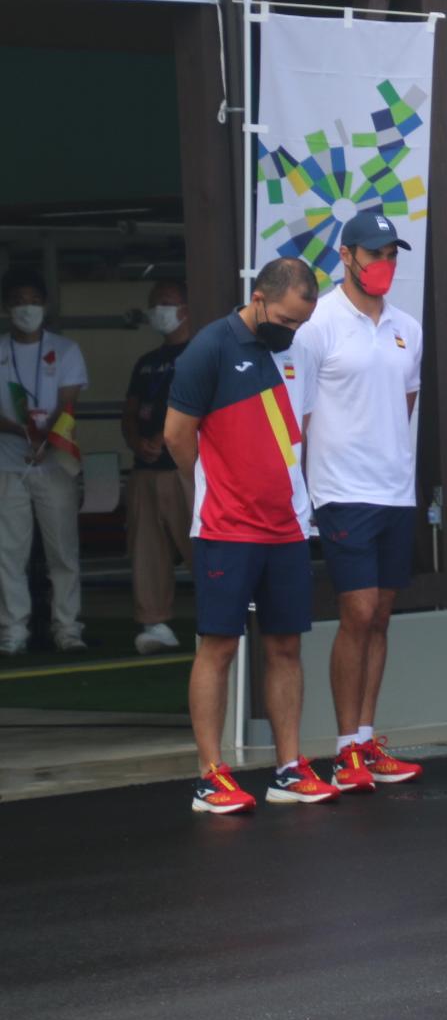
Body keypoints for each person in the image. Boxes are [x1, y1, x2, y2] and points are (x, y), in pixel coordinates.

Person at [165, 258, 336, 813]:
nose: (291, 332)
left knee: (286, 645)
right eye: (285, 319)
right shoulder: (209, 347)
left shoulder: (300, 349)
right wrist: (212, 489)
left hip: (287, 525)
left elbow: (299, 429)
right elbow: (175, 435)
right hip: (226, 527)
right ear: (258, 297)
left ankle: (288, 767)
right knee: (218, 645)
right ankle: (210, 774)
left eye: (300, 324)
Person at [291, 213, 428, 793]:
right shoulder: (317, 322)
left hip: (395, 490)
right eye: (373, 254)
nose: (384, 264)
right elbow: (297, 416)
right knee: (359, 612)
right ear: (345, 257)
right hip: (340, 491)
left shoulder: (407, 327)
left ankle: (367, 738)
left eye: (391, 253)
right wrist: (303, 495)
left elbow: (407, 400)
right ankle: (346, 747)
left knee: (383, 615)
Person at [0, 267, 88, 655]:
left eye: (34, 301)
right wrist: (20, 431)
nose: (26, 309)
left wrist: (46, 435)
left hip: (55, 463)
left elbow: (69, 402)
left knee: (63, 552)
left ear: (46, 306)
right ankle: (13, 629)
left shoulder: (65, 349)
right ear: (6, 307)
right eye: (19, 302)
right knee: (9, 552)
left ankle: (67, 628)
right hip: (8, 464)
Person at [124, 280, 194, 655]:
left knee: (203, 545)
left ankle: (221, 618)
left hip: (187, 468)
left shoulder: (202, 352)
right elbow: (131, 412)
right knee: (147, 548)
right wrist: (137, 441)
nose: (160, 311)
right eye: (156, 304)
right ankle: (154, 622)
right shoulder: (147, 362)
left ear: (186, 308)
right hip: (146, 468)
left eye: (168, 303)